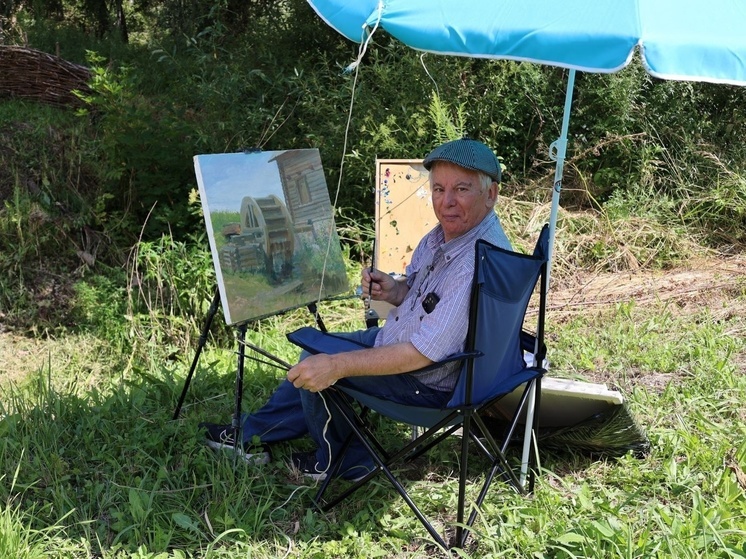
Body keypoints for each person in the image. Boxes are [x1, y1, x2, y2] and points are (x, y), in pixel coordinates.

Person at [199, 137, 512, 481]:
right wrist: (394, 290)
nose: (446, 202)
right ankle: (251, 436)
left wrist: (338, 365)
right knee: (313, 351)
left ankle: (344, 459)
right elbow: (424, 296)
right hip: (400, 343)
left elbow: (423, 353)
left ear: (491, 193)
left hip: (427, 381)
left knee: (319, 364)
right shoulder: (446, 236)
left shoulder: (473, 262)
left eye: (461, 189)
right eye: (438, 189)